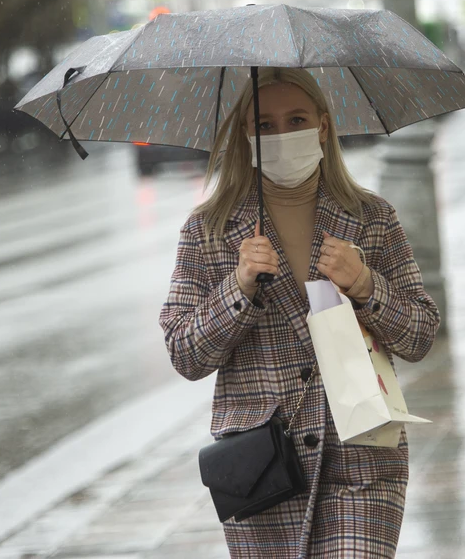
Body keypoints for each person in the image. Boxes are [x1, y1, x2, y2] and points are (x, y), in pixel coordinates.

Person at [159, 68, 440, 558]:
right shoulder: (209, 230)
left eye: (296, 119)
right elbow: (185, 353)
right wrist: (239, 287)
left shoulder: (371, 218)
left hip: (360, 456)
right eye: (264, 124)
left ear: (324, 127)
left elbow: (419, 335)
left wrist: (367, 285)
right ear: (244, 135)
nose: (282, 134)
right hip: (263, 469)